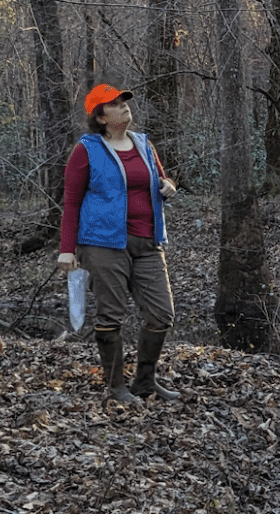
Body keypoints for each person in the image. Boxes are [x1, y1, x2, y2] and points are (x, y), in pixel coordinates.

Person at [56, 84, 183, 403]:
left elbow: (160, 178)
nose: (124, 108)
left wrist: (168, 185)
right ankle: (115, 387)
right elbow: (71, 202)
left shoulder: (143, 143)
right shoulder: (86, 150)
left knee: (161, 314)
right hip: (102, 244)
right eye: (115, 105)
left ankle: (144, 382)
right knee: (110, 316)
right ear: (100, 117)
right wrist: (67, 250)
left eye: (124, 102)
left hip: (148, 241)